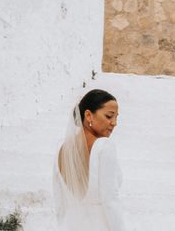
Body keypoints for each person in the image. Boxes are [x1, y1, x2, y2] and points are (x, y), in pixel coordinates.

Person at [52, 89, 127, 231]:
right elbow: (110, 200)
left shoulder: (61, 150)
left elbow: (59, 202)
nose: (114, 123)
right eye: (109, 116)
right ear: (88, 115)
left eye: (117, 117)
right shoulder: (104, 147)